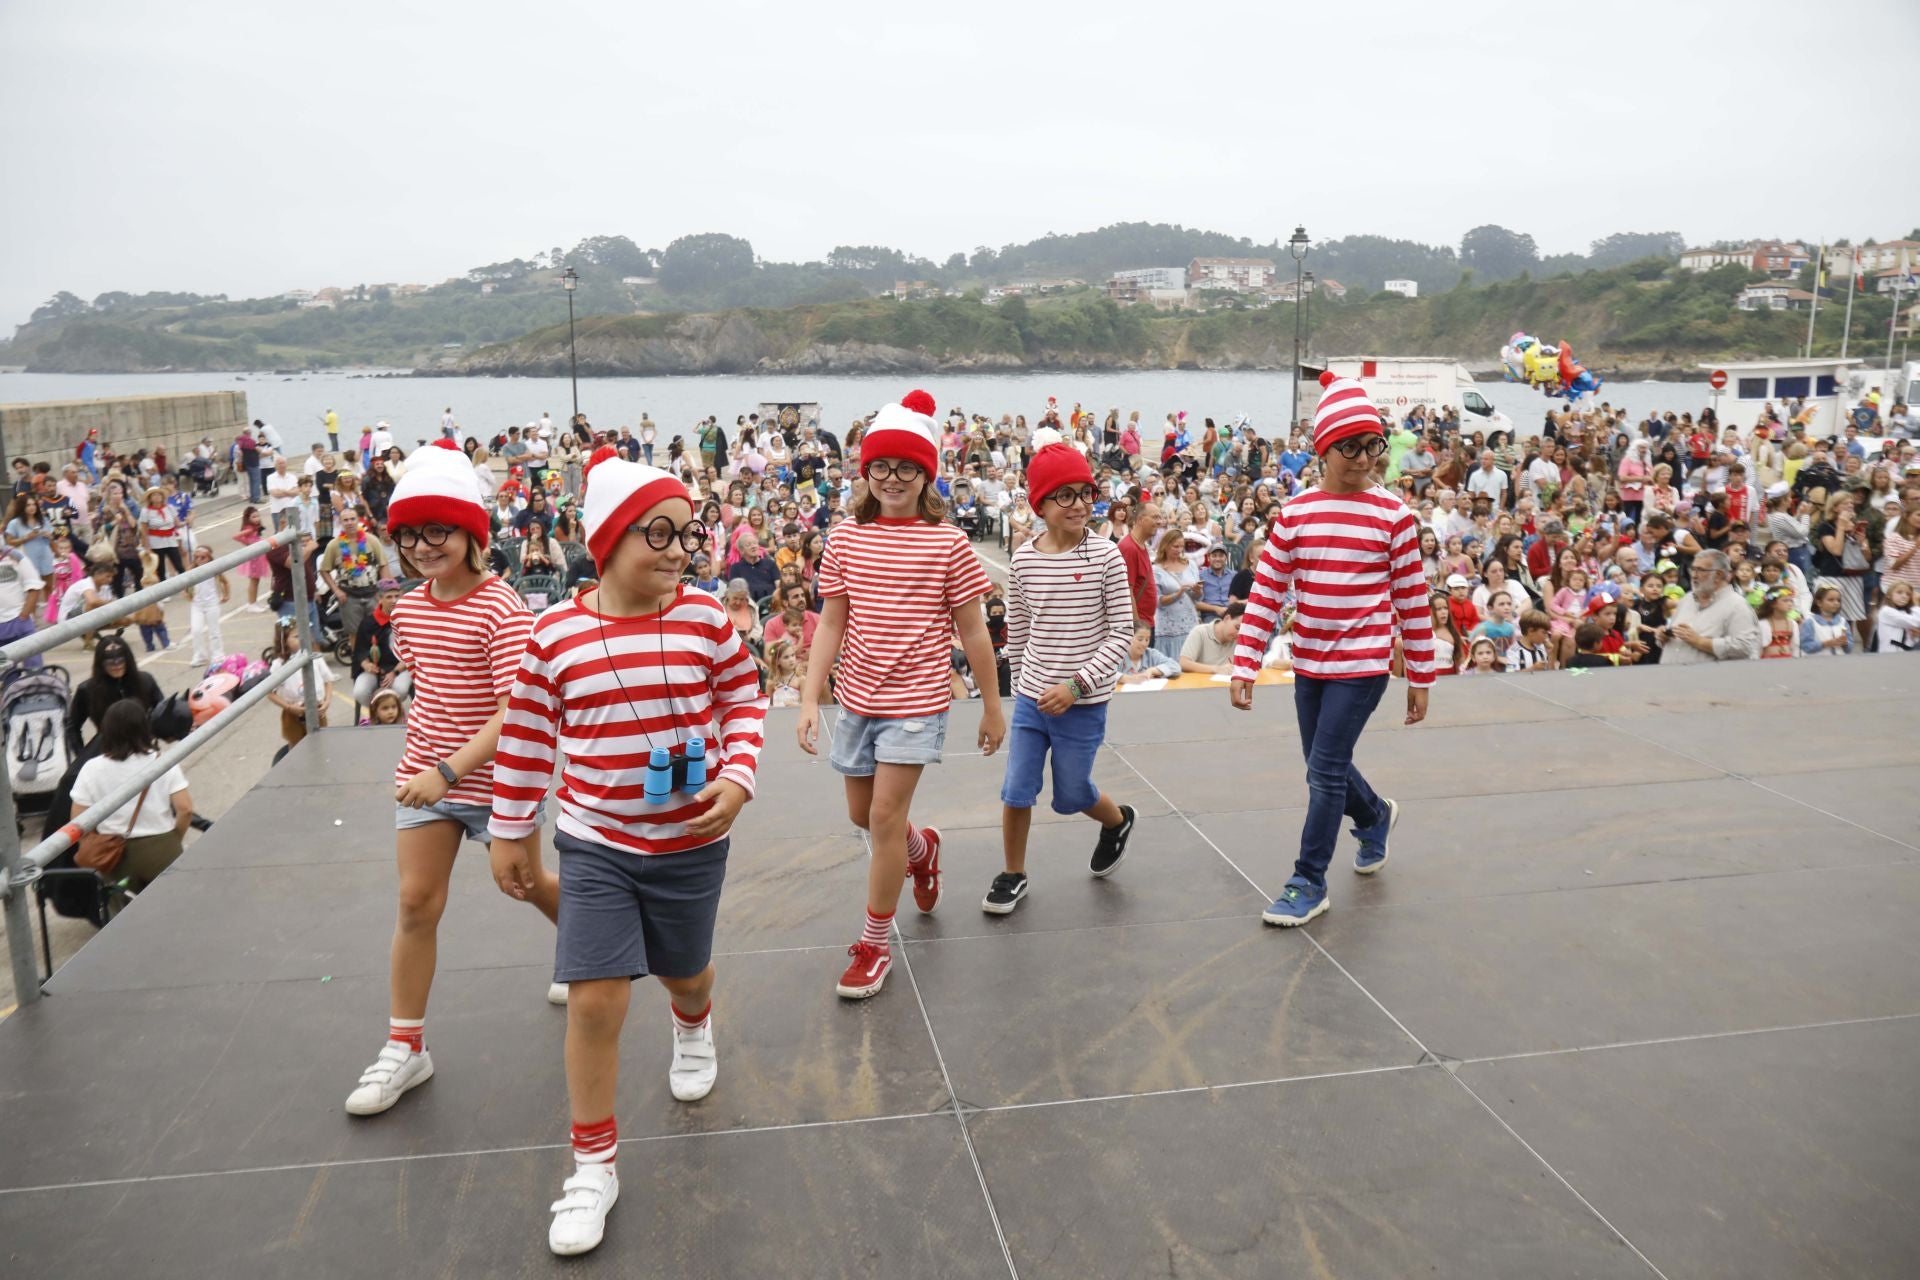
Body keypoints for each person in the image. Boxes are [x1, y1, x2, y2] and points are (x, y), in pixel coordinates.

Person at [488, 457, 766, 1257]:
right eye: (659, 532)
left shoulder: (708, 619)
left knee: (685, 970)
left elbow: (743, 699)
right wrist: (513, 829)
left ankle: (693, 1020)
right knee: (595, 997)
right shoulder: (555, 635)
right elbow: (530, 738)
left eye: (688, 533)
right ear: (608, 540)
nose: (680, 549)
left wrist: (739, 777)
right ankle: (593, 1164)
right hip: (595, 839)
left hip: (690, 837)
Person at [342, 442, 562, 1123]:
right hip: (426, 779)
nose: (421, 547)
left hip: (497, 781)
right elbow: (430, 688)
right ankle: (406, 1045)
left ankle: (591, 946)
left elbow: (515, 713)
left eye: (437, 530)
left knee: (525, 885)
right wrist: (429, 770)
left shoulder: (503, 610)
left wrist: (449, 771)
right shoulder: (408, 609)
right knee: (415, 904)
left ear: (472, 533)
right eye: (409, 534)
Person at [795, 389, 1005, 999]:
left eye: (907, 467)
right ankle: (923, 848)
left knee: (883, 817)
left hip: (917, 699)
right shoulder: (845, 539)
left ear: (926, 475)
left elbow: (973, 630)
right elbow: (831, 622)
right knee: (865, 817)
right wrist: (812, 699)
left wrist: (992, 706)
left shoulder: (947, 544)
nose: (893, 478)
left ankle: (874, 944)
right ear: (867, 473)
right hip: (857, 698)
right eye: (881, 467)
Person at [1230, 371, 1436, 928]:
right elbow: (1267, 591)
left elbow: (1413, 602)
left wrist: (1420, 675)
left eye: (1372, 445)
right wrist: (1245, 661)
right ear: (1323, 449)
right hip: (1310, 661)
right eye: (1350, 446)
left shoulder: (1394, 516)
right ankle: (1374, 816)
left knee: (1322, 772)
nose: (1364, 458)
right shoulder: (1295, 515)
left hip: (1364, 664)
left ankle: (1309, 878)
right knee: (1325, 766)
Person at [986, 444, 1136, 916]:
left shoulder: (1107, 557)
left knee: (1072, 795)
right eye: (1064, 495)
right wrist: (1018, 680)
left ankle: (1116, 821)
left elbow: (1121, 634)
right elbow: (1022, 628)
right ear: (1041, 504)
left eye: (1084, 493)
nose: (1077, 504)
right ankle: (1013, 873)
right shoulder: (1025, 560)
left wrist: (1076, 686)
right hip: (1033, 699)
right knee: (1017, 789)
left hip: (1083, 703)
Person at [68, 698, 195, 892]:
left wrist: (96, 843)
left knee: (123, 909)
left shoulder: (91, 769)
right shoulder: (162, 762)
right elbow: (185, 809)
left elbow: (78, 819)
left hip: (115, 854)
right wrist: (174, 838)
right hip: (161, 846)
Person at [1659, 549, 1761, 665]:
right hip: (1670, 676)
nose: (1694, 575)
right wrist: (1663, 636)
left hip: (1706, 680)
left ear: (1718, 575)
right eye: (1692, 569)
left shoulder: (1737, 605)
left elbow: (1745, 647)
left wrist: (1700, 641)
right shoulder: (1687, 599)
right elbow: (1678, 635)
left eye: (1700, 570)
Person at [321, 509, 391, 646]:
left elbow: (383, 565)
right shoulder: (334, 545)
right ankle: (358, 664)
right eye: (345, 520)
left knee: (378, 630)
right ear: (340, 522)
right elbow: (324, 570)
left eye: (352, 519)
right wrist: (337, 591)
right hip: (349, 597)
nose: (350, 523)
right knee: (355, 633)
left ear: (358, 520)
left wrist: (384, 592)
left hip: (372, 594)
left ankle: (378, 663)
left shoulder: (371, 540)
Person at [352, 578, 411, 706]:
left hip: (401, 668)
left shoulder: (409, 620)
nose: (394, 600)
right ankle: (377, 716)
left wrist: (395, 672)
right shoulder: (368, 623)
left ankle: (393, 715)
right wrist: (367, 665)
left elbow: (412, 654)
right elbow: (360, 650)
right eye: (389, 597)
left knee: (399, 690)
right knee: (360, 692)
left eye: (397, 596)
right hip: (375, 670)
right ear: (380, 599)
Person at [184, 544, 229, 667]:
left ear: (209, 557)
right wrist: (187, 593)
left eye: (203, 557)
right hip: (197, 605)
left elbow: (225, 582)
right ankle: (200, 656)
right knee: (196, 630)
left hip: (212, 603)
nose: (199, 560)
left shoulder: (214, 569)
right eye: (197, 557)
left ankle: (218, 655)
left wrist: (226, 595)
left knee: (214, 631)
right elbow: (184, 584)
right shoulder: (191, 569)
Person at [1179, 601, 1246, 673]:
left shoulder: (1240, 639)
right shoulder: (1200, 632)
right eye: (1237, 627)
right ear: (1227, 618)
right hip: (1200, 682)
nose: (1238, 634)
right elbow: (1183, 663)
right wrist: (1216, 669)